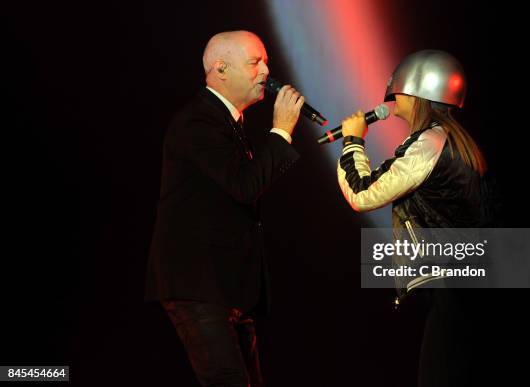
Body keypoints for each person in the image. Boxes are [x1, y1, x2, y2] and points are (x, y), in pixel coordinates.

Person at [145, 30, 305, 387]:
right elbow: (245, 185)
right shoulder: (198, 122)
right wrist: (281, 132)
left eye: (266, 61)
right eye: (254, 62)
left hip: (224, 286)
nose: (266, 71)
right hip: (197, 282)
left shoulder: (229, 122)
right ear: (220, 68)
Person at [336, 50, 488, 386]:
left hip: (449, 286)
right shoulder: (453, 142)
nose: (391, 97)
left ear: (417, 91)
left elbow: (363, 192)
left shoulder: (429, 144)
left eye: (397, 91)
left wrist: (352, 140)